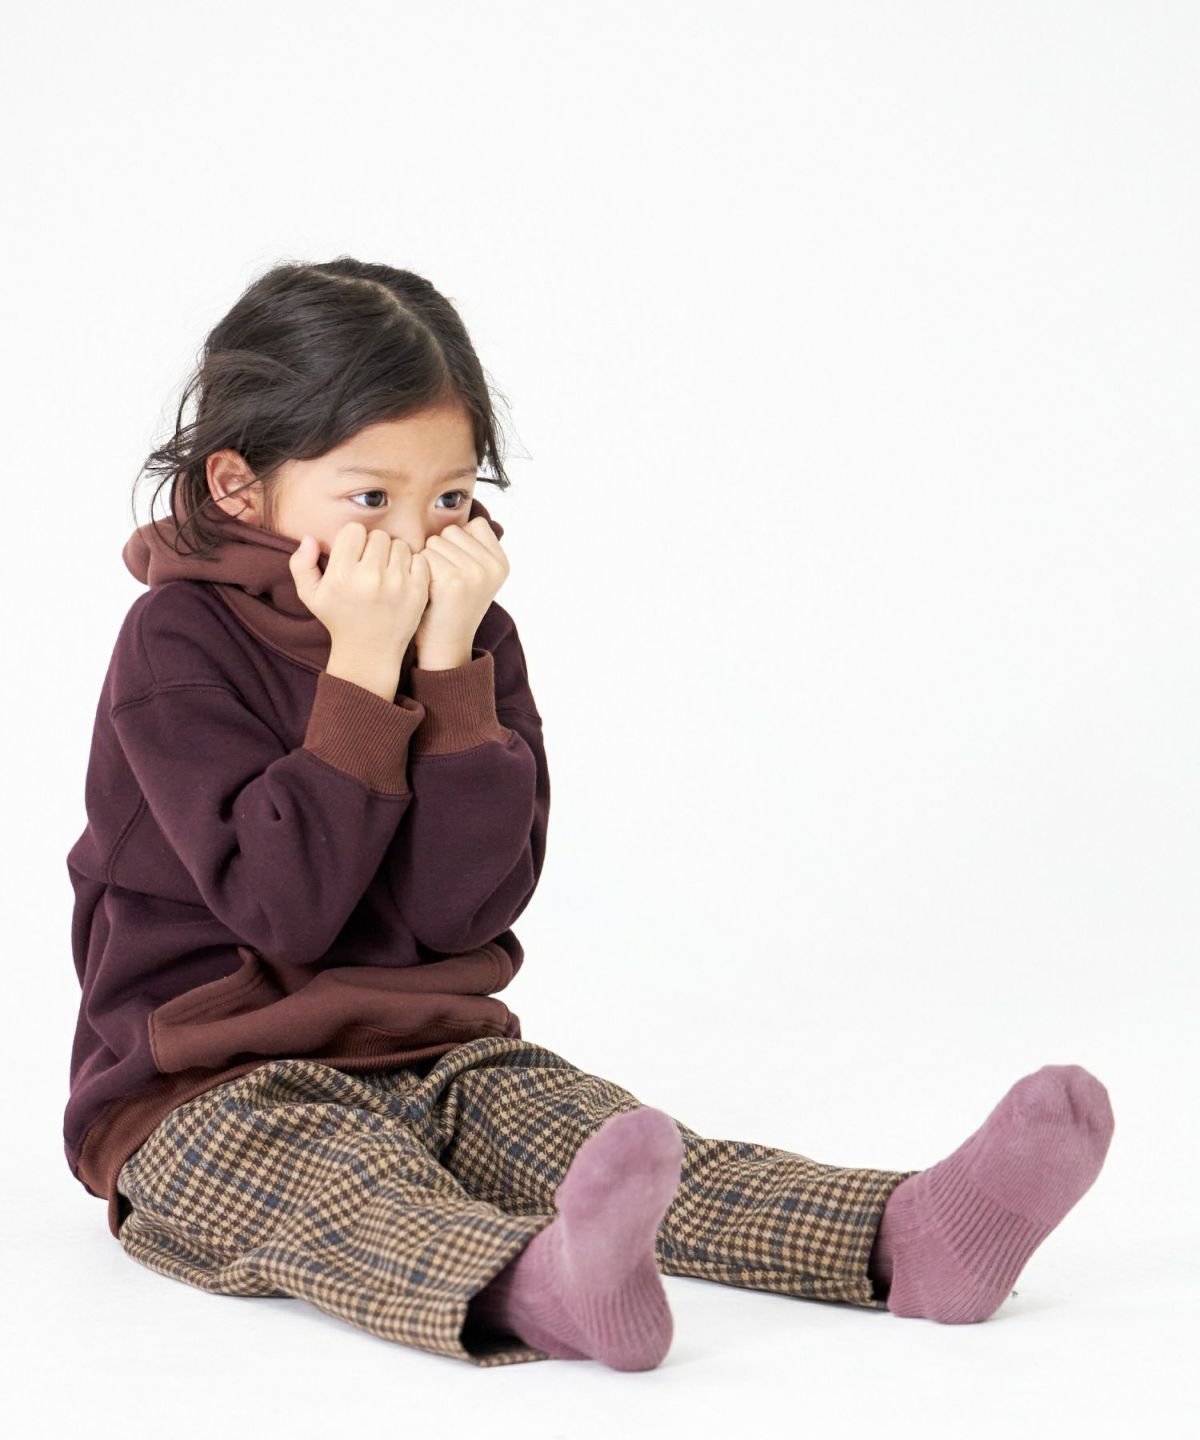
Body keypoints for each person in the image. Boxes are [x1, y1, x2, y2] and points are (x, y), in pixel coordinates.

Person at [64, 256, 1115, 1371]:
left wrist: (449, 674)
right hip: (206, 1086)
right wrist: (364, 669)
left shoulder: (470, 632)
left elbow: (464, 912)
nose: (421, 540)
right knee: (345, 1191)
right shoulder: (176, 642)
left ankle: (909, 1236)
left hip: (434, 1049)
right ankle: (546, 1287)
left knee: (610, 1140)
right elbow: (288, 910)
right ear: (240, 488)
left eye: (451, 499)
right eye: (372, 499)